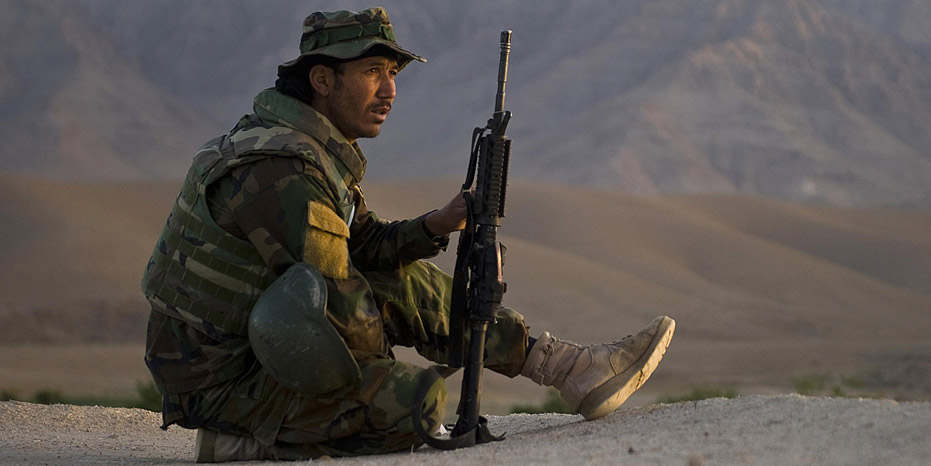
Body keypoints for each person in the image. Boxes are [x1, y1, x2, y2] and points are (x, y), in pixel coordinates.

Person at [141, 7, 675, 462]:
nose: (390, 90)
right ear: (322, 80)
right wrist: (409, 350)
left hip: (258, 347)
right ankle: (234, 444)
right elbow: (344, 313)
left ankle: (565, 367)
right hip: (220, 377)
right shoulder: (283, 171)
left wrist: (436, 225)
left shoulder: (310, 150)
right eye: (373, 71)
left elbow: (364, 245)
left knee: (404, 281)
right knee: (413, 405)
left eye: (394, 73)